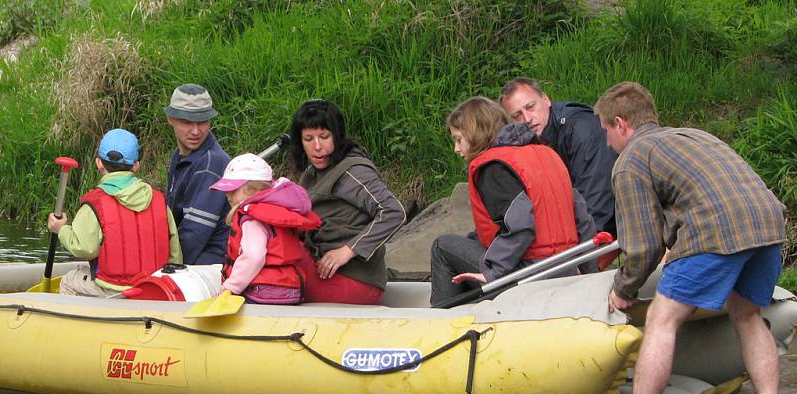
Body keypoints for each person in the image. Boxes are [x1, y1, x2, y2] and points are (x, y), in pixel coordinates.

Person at [584, 82, 789, 394]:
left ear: (620, 124)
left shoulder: (630, 160)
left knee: (663, 319)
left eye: (606, 132)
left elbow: (641, 245)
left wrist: (623, 289)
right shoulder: (693, 136)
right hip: (768, 224)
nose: (607, 141)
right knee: (747, 315)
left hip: (716, 229)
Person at [430, 96, 596, 307]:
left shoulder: (492, 167)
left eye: (458, 139)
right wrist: (589, 273)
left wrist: (493, 273)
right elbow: (583, 218)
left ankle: (441, 321)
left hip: (528, 274)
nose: (456, 148)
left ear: (475, 133)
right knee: (470, 239)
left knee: (443, 246)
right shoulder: (547, 154)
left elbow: (521, 225)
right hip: (565, 267)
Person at [289, 99, 406, 304]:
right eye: (308, 139)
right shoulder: (310, 174)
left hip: (354, 281)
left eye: (324, 137)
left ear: (337, 135)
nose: (317, 146)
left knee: (271, 246)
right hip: (322, 269)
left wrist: (348, 251)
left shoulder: (352, 171)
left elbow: (394, 212)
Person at [47, 128, 182, 296]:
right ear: (136, 165)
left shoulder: (94, 204)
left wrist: (61, 229)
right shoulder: (160, 202)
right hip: (152, 289)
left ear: (98, 163)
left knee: (69, 280)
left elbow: (84, 248)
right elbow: (175, 254)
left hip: (111, 290)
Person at [500, 77, 617, 235]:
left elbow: (598, 203)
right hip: (572, 227)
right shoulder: (523, 141)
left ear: (546, 99)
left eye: (530, 107)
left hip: (609, 225)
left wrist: (578, 253)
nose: (527, 119)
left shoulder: (581, 129)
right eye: (517, 116)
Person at [209, 153, 321, 304]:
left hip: (263, 292)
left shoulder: (252, 218)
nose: (228, 194)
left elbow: (254, 256)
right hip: (291, 289)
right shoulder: (279, 207)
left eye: (233, 189)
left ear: (252, 189)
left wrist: (230, 288)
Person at [165, 83, 231, 265]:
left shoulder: (211, 164)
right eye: (186, 122)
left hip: (210, 264)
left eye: (202, 122)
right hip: (193, 259)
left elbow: (194, 235)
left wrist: (166, 266)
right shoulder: (179, 156)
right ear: (170, 118)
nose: (195, 131)